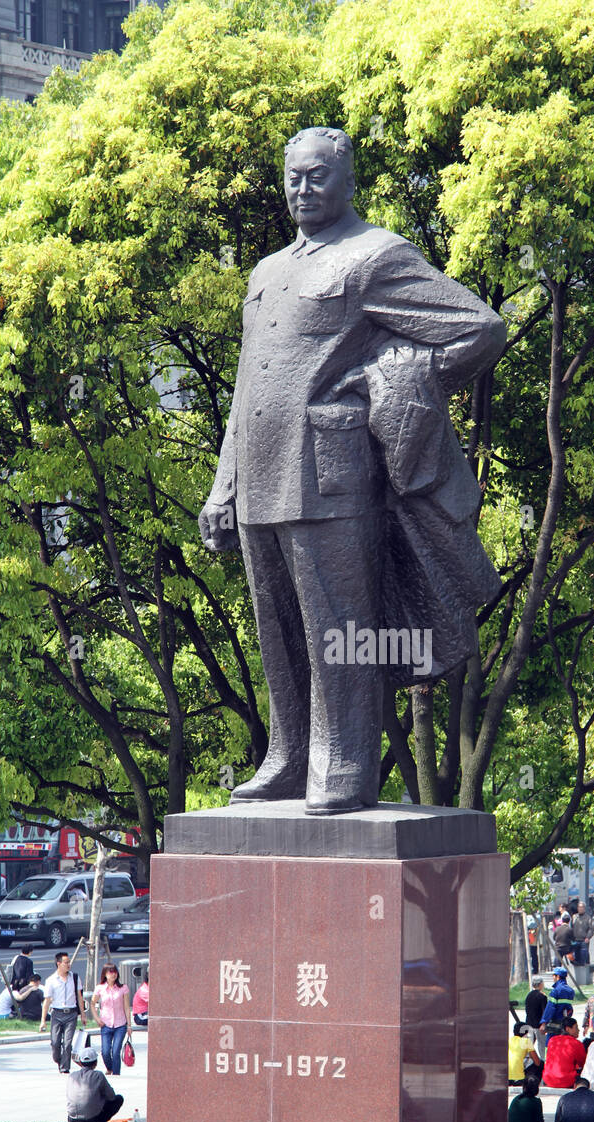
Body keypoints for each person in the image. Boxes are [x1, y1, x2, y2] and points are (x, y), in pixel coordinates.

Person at [198, 126, 506, 813]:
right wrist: (224, 486)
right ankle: (290, 756)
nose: (302, 190)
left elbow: (480, 329)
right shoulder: (268, 271)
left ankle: (343, 762)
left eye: (316, 177)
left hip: (333, 475)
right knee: (277, 631)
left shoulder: (376, 256)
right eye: (293, 178)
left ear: (348, 181)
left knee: (339, 626)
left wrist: (389, 380)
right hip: (259, 477)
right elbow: (248, 383)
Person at [40, 952, 88, 1074]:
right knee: (55, 1042)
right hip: (56, 1014)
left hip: (71, 1014)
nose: (68, 964)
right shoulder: (51, 980)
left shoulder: (75, 978)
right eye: (66, 962)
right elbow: (47, 1001)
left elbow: (79, 997)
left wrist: (83, 1014)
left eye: (69, 962)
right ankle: (58, 1060)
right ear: (59, 964)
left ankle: (65, 1068)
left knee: (67, 1043)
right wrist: (43, 1021)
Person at [91, 963, 133, 1077]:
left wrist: (129, 1025)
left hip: (120, 1024)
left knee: (115, 1051)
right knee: (105, 1052)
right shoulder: (100, 988)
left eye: (115, 971)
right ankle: (109, 1068)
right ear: (105, 974)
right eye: (110, 972)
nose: (113, 974)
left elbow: (126, 1007)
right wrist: (97, 1018)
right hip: (105, 1024)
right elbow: (92, 1003)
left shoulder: (123, 988)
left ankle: (116, 1074)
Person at [66, 1047, 124, 1122]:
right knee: (118, 1099)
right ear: (95, 1063)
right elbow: (111, 1096)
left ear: (80, 1062)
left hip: (72, 1118)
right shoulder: (98, 1075)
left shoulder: (72, 1076)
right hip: (92, 1118)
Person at [542, 1016, 586, 1090]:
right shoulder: (576, 1043)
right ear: (567, 1029)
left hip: (548, 1080)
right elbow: (583, 1063)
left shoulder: (552, 1040)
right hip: (567, 1081)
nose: (578, 1030)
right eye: (576, 1028)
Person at [539, 967, 575, 1035]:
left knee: (551, 1044)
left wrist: (544, 1023)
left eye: (553, 975)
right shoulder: (571, 991)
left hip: (555, 1023)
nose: (553, 977)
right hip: (566, 1023)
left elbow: (550, 1008)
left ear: (558, 976)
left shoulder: (555, 991)